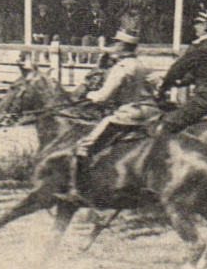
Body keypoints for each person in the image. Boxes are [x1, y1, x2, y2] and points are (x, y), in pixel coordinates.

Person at [61, 30, 161, 203]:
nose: (113, 47)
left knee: (84, 146)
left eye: (115, 44)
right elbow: (160, 84)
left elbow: (103, 96)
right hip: (152, 113)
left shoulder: (121, 68)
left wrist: (90, 95)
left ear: (122, 46)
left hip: (128, 115)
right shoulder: (144, 65)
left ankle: (79, 190)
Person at [157, 6, 207, 133]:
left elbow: (177, 69)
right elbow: (204, 72)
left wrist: (163, 86)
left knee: (166, 125)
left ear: (206, 26)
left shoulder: (198, 47)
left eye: (199, 24)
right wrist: (181, 83)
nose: (195, 27)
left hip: (203, 99)